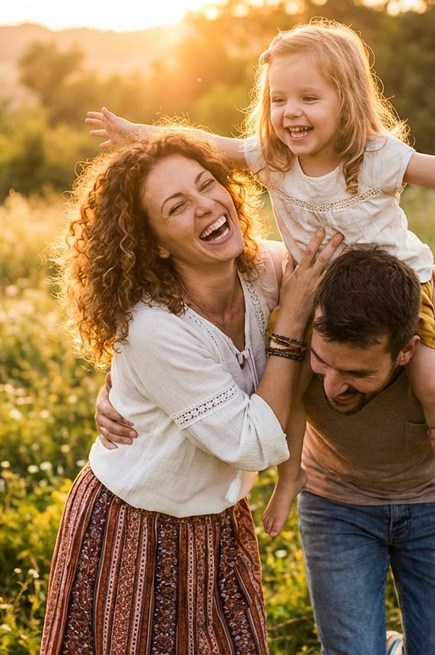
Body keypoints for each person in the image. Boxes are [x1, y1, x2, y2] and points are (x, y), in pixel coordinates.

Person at [87, 17, 435, 541]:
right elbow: (207, 142)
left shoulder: (372, 159)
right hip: (326, 297)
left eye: (309, 97)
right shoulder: (276, 160)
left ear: (347, 101)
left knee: (429, 375)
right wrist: (135, 134)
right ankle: (291, 476)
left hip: (397, 292)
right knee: (300, 381)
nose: (290, 112)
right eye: (279, 99)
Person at [96, 247, 435, 654]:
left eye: (357, 373)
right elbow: (186, 342)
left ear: (406, 350)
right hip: (336, 507)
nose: (332, 386)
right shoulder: (290, 331)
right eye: (323, 362)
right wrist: (116, 385)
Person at [39, 131, 344, 654]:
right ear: (155, 243)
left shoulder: (261, 271)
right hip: (133, 530)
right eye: (177, 206)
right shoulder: (152, 328)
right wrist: (290, 323)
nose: (206, 207)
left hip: (219, 521)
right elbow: (252, 444)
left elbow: (368, 257)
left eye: (208, 185)